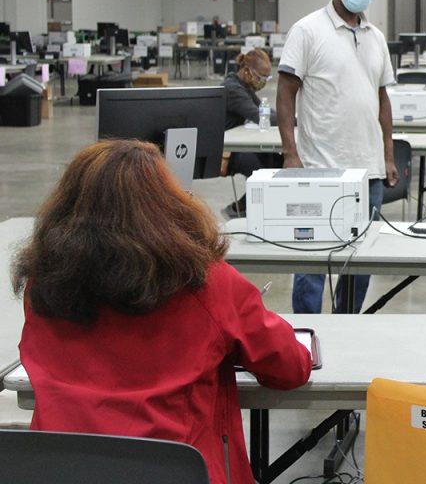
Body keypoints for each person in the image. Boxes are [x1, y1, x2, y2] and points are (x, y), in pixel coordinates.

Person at [14, 139, 312, 484]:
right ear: (165, 203)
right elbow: (289, 368)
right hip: (180, 471)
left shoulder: (45, 284)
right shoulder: (208, 283)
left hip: (63, 470)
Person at [277, 0, 398, 314]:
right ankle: (308, 335)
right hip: (321, 168)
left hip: (370, 172)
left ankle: (347, 329)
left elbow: (382, 99)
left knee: (359, 264)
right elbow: (285, 92)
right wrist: (290, 153)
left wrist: (388, 156)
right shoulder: (308, 30)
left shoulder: (375, 36)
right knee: (313, 263)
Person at [222, 48, 276, 219]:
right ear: (246, 70)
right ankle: (239, 209)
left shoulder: (244, 87)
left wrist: (289, 116)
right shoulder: (232, 89)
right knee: (263, 173)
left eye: (267, 78)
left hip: (238, 143)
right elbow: (259, 116)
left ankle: (243, 207)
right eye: (261, 77)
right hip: (226, 150)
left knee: (276, 160)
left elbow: (266, 111)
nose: (263, 82)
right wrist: (293, 120)